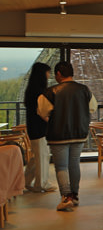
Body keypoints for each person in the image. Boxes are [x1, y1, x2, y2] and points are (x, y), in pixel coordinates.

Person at [37, 61, 98, 211]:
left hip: (58, 134)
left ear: (58, 74)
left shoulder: (50, 92)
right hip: (79, 133)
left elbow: (42, 111)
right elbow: (92, 108)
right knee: (74, 163)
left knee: (61, 166)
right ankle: (75, 195)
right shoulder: (84, 90)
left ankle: (66, 197)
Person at [23, 62, 55, 193]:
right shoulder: (39, 92)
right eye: (48, 72)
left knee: (37, 157)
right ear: (42, 74)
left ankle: (25, 182)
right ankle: (41, 184)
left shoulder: (31, 90)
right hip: (40, 128)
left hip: (33, 127)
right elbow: (41, 112)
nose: (49, 75)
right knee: (42, 155)